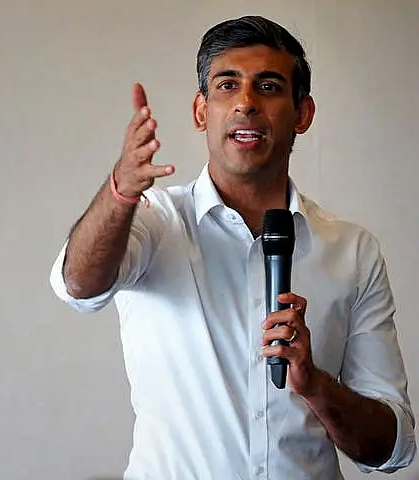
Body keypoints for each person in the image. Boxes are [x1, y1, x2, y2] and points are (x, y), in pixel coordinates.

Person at [49, 15, 416, 479]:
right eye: (227, 85)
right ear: (202, 111)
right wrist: (120, 191)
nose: (245, 103)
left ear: (303, 114)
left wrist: (316, 385)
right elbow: (78, 284)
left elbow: (391, 447)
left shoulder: (352, 250)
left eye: (268, 87)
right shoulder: (153, 219)